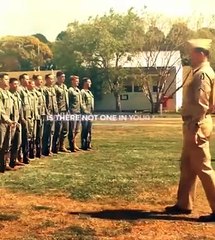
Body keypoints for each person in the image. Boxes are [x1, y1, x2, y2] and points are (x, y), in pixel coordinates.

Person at [165, 39, 215, 222]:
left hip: (197, 124)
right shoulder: (201, 72)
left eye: (192, 52)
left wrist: (194, 126)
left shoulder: (202, 74)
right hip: (193, 124)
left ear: (201, 53)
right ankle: (184, 204)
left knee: (203, 167)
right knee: (187, 166)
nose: (190, 55)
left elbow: (202, 104)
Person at [0, 73, 16, 172]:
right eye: (6, 79)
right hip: (2, 122)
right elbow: (1, 110)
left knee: (6, 145)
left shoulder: (7, 93)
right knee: (0, 144)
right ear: (0, 80)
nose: (7, 81)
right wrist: (8, 120)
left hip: (8, 122)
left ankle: (4, 165)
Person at [9, 77, 25, 168]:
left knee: (18, 142)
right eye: (14, 84)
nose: (16, 86)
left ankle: (15, 160)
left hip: (17, 121)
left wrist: (21, 118)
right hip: (11, 122)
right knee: (9, 143)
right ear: (10, 84)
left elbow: (20, 108)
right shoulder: (8, 94)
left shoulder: (17, 95)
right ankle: (7, 162)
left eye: (17, 84)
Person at [52, 71, 69, 153]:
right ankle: (55, 147)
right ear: (58, 77)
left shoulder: (65, 86)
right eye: (62, 76)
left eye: (64, 76)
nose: (64, 78)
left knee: (65, 129)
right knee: (58, 129)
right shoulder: (55, 87)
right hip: (59, 111)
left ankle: (62, 145)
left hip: (65, 110)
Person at [42, 74, 58, 156]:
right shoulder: (44, 89)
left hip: (53, 112)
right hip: (48, 113)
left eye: (53, 79)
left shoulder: (53, 89)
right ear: (46, 80)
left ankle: (49, 149)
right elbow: (44, 103)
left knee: (52, 132)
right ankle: (45, 150)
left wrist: (56, 112)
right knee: (46, 132)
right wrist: (47, 113)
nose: (52, 80)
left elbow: (55, 102)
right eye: (50, 79)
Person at [33, 74, 47, 158]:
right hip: (36, 115)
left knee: (40, 135)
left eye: (41, 79)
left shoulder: (41, 90)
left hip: (42, 114)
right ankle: (34, 152)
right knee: (35, 135)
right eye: (39, 79)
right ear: (34, 81)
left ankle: (39, 152)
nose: (41, 81)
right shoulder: (33, 91)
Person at [68, 75, 82, 152]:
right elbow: (68, 101)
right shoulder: (70, 90)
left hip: (78, 111)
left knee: (77, 130)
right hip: (72, 111)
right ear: (72, 81)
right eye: (76, 81)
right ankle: (72, 145)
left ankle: (75, 143)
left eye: (78, 81)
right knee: (72, 130)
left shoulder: (78, 90)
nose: (78, 82)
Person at [81, 77, 94, 150]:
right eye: (89, 82)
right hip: (85, 114)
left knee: (89, 129)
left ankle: (88, 144)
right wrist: (85, 111)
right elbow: (82, 103)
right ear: (85, 83)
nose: (90, 83)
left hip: (90, 113)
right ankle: (84, 144)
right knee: (85, 129)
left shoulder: (89, 92)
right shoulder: (82, 92)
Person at [27, 79, 38, 159]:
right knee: (29, 136)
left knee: (34, 136)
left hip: (34, 116)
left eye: (34, 84)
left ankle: (32, 152)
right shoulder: (27, 94)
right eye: (32, 84)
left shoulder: (34, 94)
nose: (33, 86)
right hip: (28, 118)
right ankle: (27, 153)